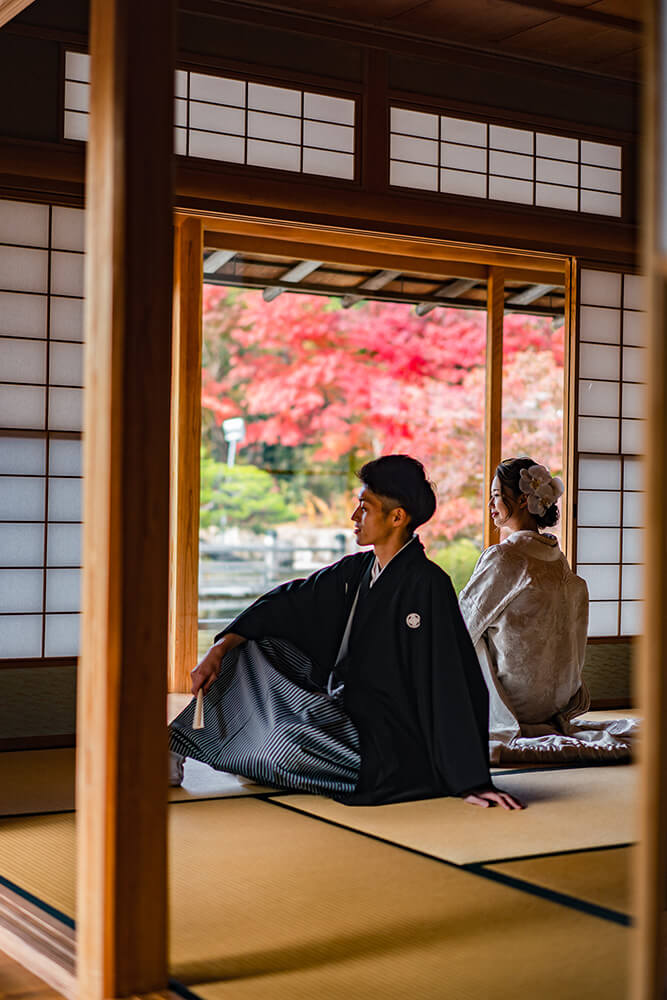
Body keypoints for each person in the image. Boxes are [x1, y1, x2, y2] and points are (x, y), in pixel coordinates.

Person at [169, 454, 522, 809]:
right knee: (249, 650)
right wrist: (220, 648)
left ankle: (258, 755)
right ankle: (177, 747)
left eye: (365, 508)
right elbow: (287, 604)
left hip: (390, 744)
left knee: (283, 746)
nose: (355, 517)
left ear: (397, 517)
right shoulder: (356, 571)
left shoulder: (428, 585)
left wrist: (470, 780)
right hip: (341, 709)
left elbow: (452, 683)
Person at [459, 457, 635, 763]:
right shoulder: (558, 561)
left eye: (497, 495)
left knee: (463, 633)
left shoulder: (505, 558)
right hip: (555, 704)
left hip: (514, 704)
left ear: (523, 500)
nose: (490, 503)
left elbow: (459, 626)